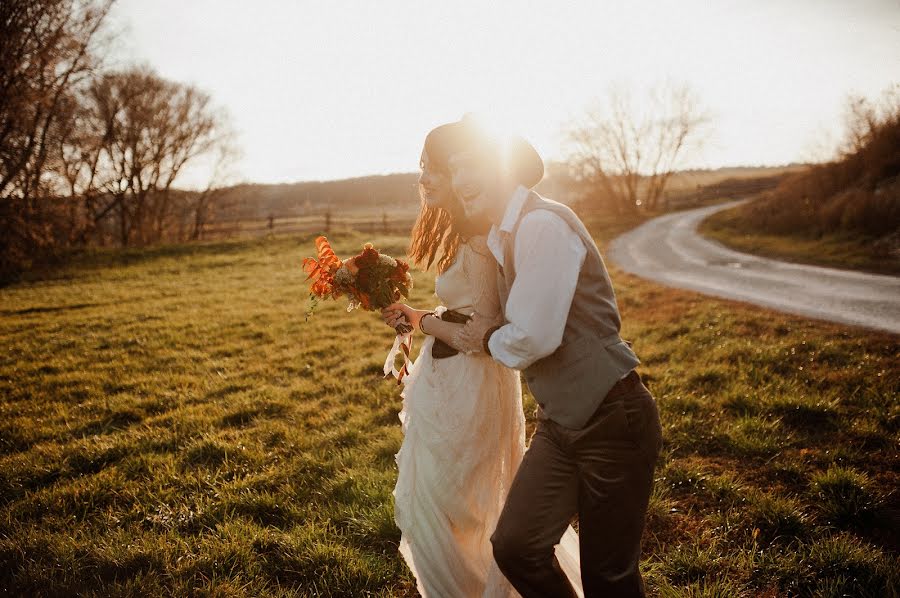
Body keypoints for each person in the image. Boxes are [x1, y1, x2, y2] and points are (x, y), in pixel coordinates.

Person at [449, 118, 664, 597]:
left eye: (473, 166)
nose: (461, 180)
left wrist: (487, 338)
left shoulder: (541, 225)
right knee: (515, 546)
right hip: (561, 422)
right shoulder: (505, 235)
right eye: (455, 168)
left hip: (613, 419)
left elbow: (532, 338)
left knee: (608, 578)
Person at [382, 123, 582, 597]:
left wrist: (422, 320)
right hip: (447, 376)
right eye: (422, 166)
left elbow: (481, 332)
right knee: (437, 502)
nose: (425, 178)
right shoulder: (459, 234)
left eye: (434, 167)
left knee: (457, 501)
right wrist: (416, 318)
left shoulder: (478, 240)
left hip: (472, 383)